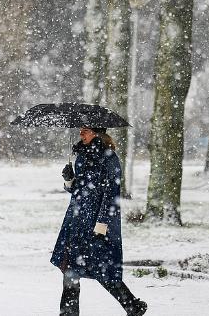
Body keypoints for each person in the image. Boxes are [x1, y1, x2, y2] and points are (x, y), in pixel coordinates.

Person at [51, 127, 147, 316]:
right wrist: (70, 180)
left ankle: (132, 306)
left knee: (104, 269)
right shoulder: (81, 156)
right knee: (70, 268)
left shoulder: (109, 158)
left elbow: (112, 194)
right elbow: (79, 190)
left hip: (96, 222)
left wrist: (102, 224)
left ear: (97, 133)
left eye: (85, 131)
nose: (81, 134)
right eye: (80, 131)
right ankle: (68, 313)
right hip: (76, 220)